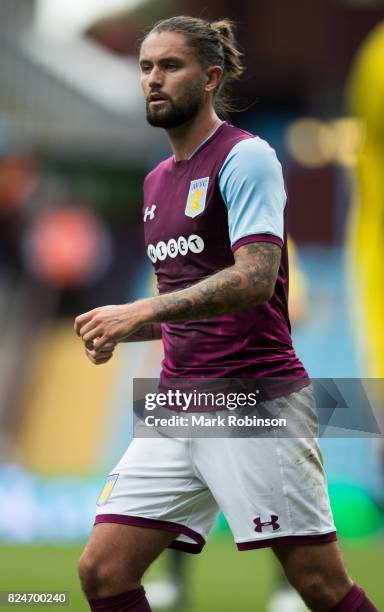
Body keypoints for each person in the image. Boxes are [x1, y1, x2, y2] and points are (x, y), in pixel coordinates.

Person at [74, 16, 377, 612]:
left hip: (253, 399)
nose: (153, 80)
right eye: (145, 68)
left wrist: (140, 308)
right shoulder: (156, 182)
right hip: (177, 403)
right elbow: (185, 304)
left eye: (170, 66)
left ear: (211, 77)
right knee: (102, 571)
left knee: (318, 586)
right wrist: (128, 326)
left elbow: (255, 279)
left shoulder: (247, 159)